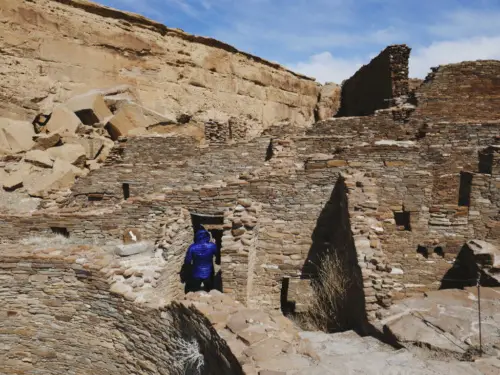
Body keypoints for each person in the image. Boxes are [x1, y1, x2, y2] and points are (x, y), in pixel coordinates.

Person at [183, 228, 218, 292]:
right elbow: (217, 255)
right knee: (209, 290)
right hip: (209, 271)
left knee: (195, 290)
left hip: (196, 272)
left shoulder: (192, 247)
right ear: (207, 236)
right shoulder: (212, 246)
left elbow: (187, 261)